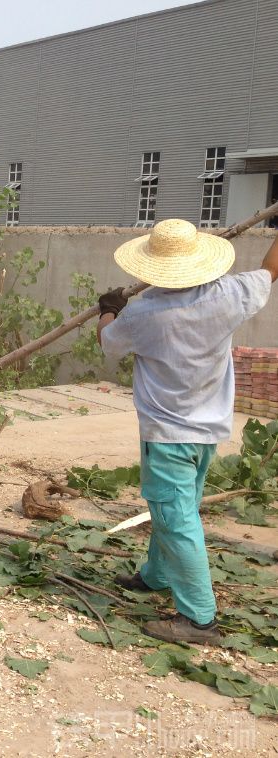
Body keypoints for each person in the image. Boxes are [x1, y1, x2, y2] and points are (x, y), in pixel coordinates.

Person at [98, 218, 278, 645]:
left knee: (174, 515)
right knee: (179, 506)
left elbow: (108, 342)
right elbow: (270, 269)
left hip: (167, 432)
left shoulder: (142, 314)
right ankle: (157, 576)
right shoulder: (229, 295)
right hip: (206, 430)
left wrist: (108, 309)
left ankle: (199, 619)